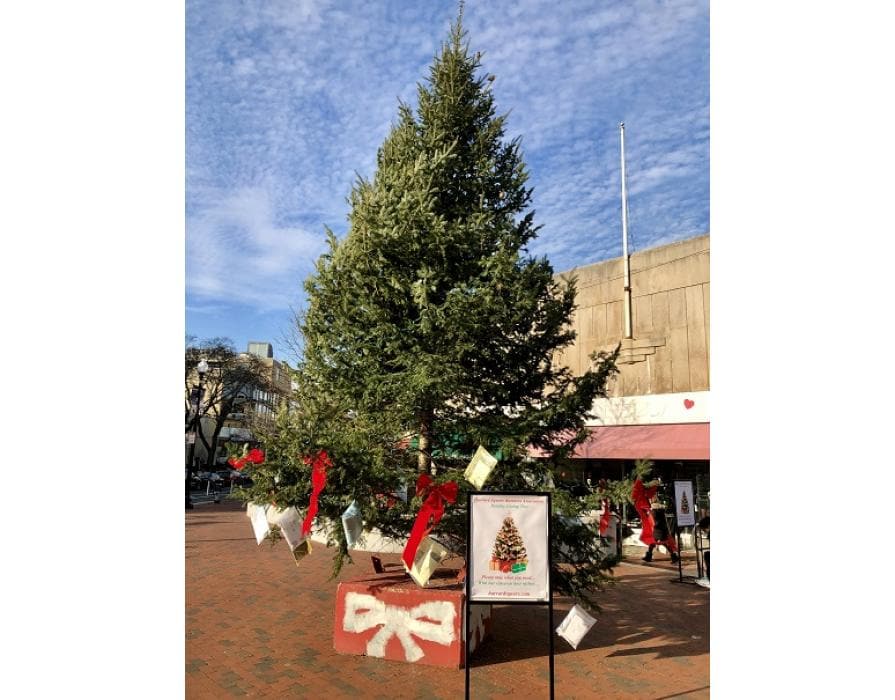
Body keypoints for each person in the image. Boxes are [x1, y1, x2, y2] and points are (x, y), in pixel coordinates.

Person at [631, 477, 679, 564]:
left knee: (661, 542)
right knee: (655, 542)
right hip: (660, 528)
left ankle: (673, 556)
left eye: (651, 498)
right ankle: (650, 556)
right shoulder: (656, 508)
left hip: (658, 528)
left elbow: (655, 519)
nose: (650, 499)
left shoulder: (655, 509)